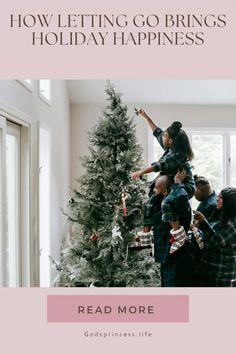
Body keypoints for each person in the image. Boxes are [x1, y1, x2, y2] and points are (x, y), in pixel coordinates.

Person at [132, 108, 194, 248]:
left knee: (166, 204)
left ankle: (180, 237)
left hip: (185, 186)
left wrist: (140, 172)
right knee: (149, 204)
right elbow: (157, 132)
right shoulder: (170, 148)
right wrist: (146, 117)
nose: (162, 137)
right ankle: (145, 240)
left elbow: (158, 166)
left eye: (165, 136)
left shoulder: (176, 156)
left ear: (170, 141)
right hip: (172, 183)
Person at [152, 170, 195, 286]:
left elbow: (181, 196)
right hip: (166, 255)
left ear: (165, 191)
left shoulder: (174, 202)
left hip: (174, 255)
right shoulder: (160, 202)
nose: (153, 190)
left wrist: (177, 182)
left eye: (156, 188)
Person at [194, 187, 236, 287]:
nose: (217, 199)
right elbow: (206, 237)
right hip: (208, 270)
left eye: (221, 198)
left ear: (230, 202)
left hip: (222, 274)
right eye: (218, 196)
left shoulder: (233, 224)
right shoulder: (219, 217)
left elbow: (217, 240)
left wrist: (203, 222)